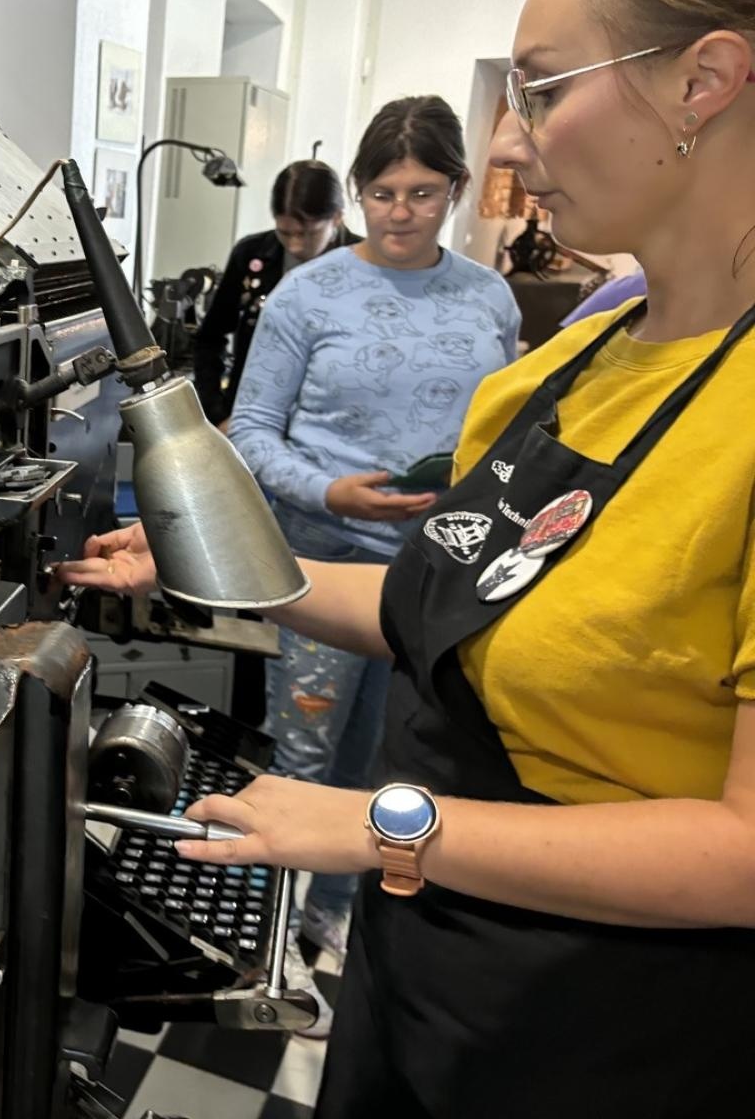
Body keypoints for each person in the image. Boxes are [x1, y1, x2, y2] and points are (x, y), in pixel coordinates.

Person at [61, 0, 755, 1112]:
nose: (503, 136)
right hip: (423, 965)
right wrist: (195, 574)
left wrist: (375, 825)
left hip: (597, 1020)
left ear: (702, 80)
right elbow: (440, 601)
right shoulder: (577, 353)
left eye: (539, 88)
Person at [225, 96, 520, 1001]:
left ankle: (336, 913)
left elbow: (505, 429)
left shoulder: (488, 296)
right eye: (383, 192)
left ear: (457, 191)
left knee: (389, 760)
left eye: (424, 192)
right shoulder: (308, 293)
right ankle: (265, 937)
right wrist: (329, 490)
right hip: (323, 557)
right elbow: (250, 431)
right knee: (304, 753)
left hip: (438, 575)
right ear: (357, 193)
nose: (402, 211)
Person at [194, 160, 361, 426]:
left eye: (308, 233)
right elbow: (209, 339)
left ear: (337, 218)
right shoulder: (250, 255)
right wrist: (216, 413)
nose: (295, 245)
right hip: (249, 418)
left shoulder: (364, 267)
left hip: (328, 425)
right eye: (285, 233)